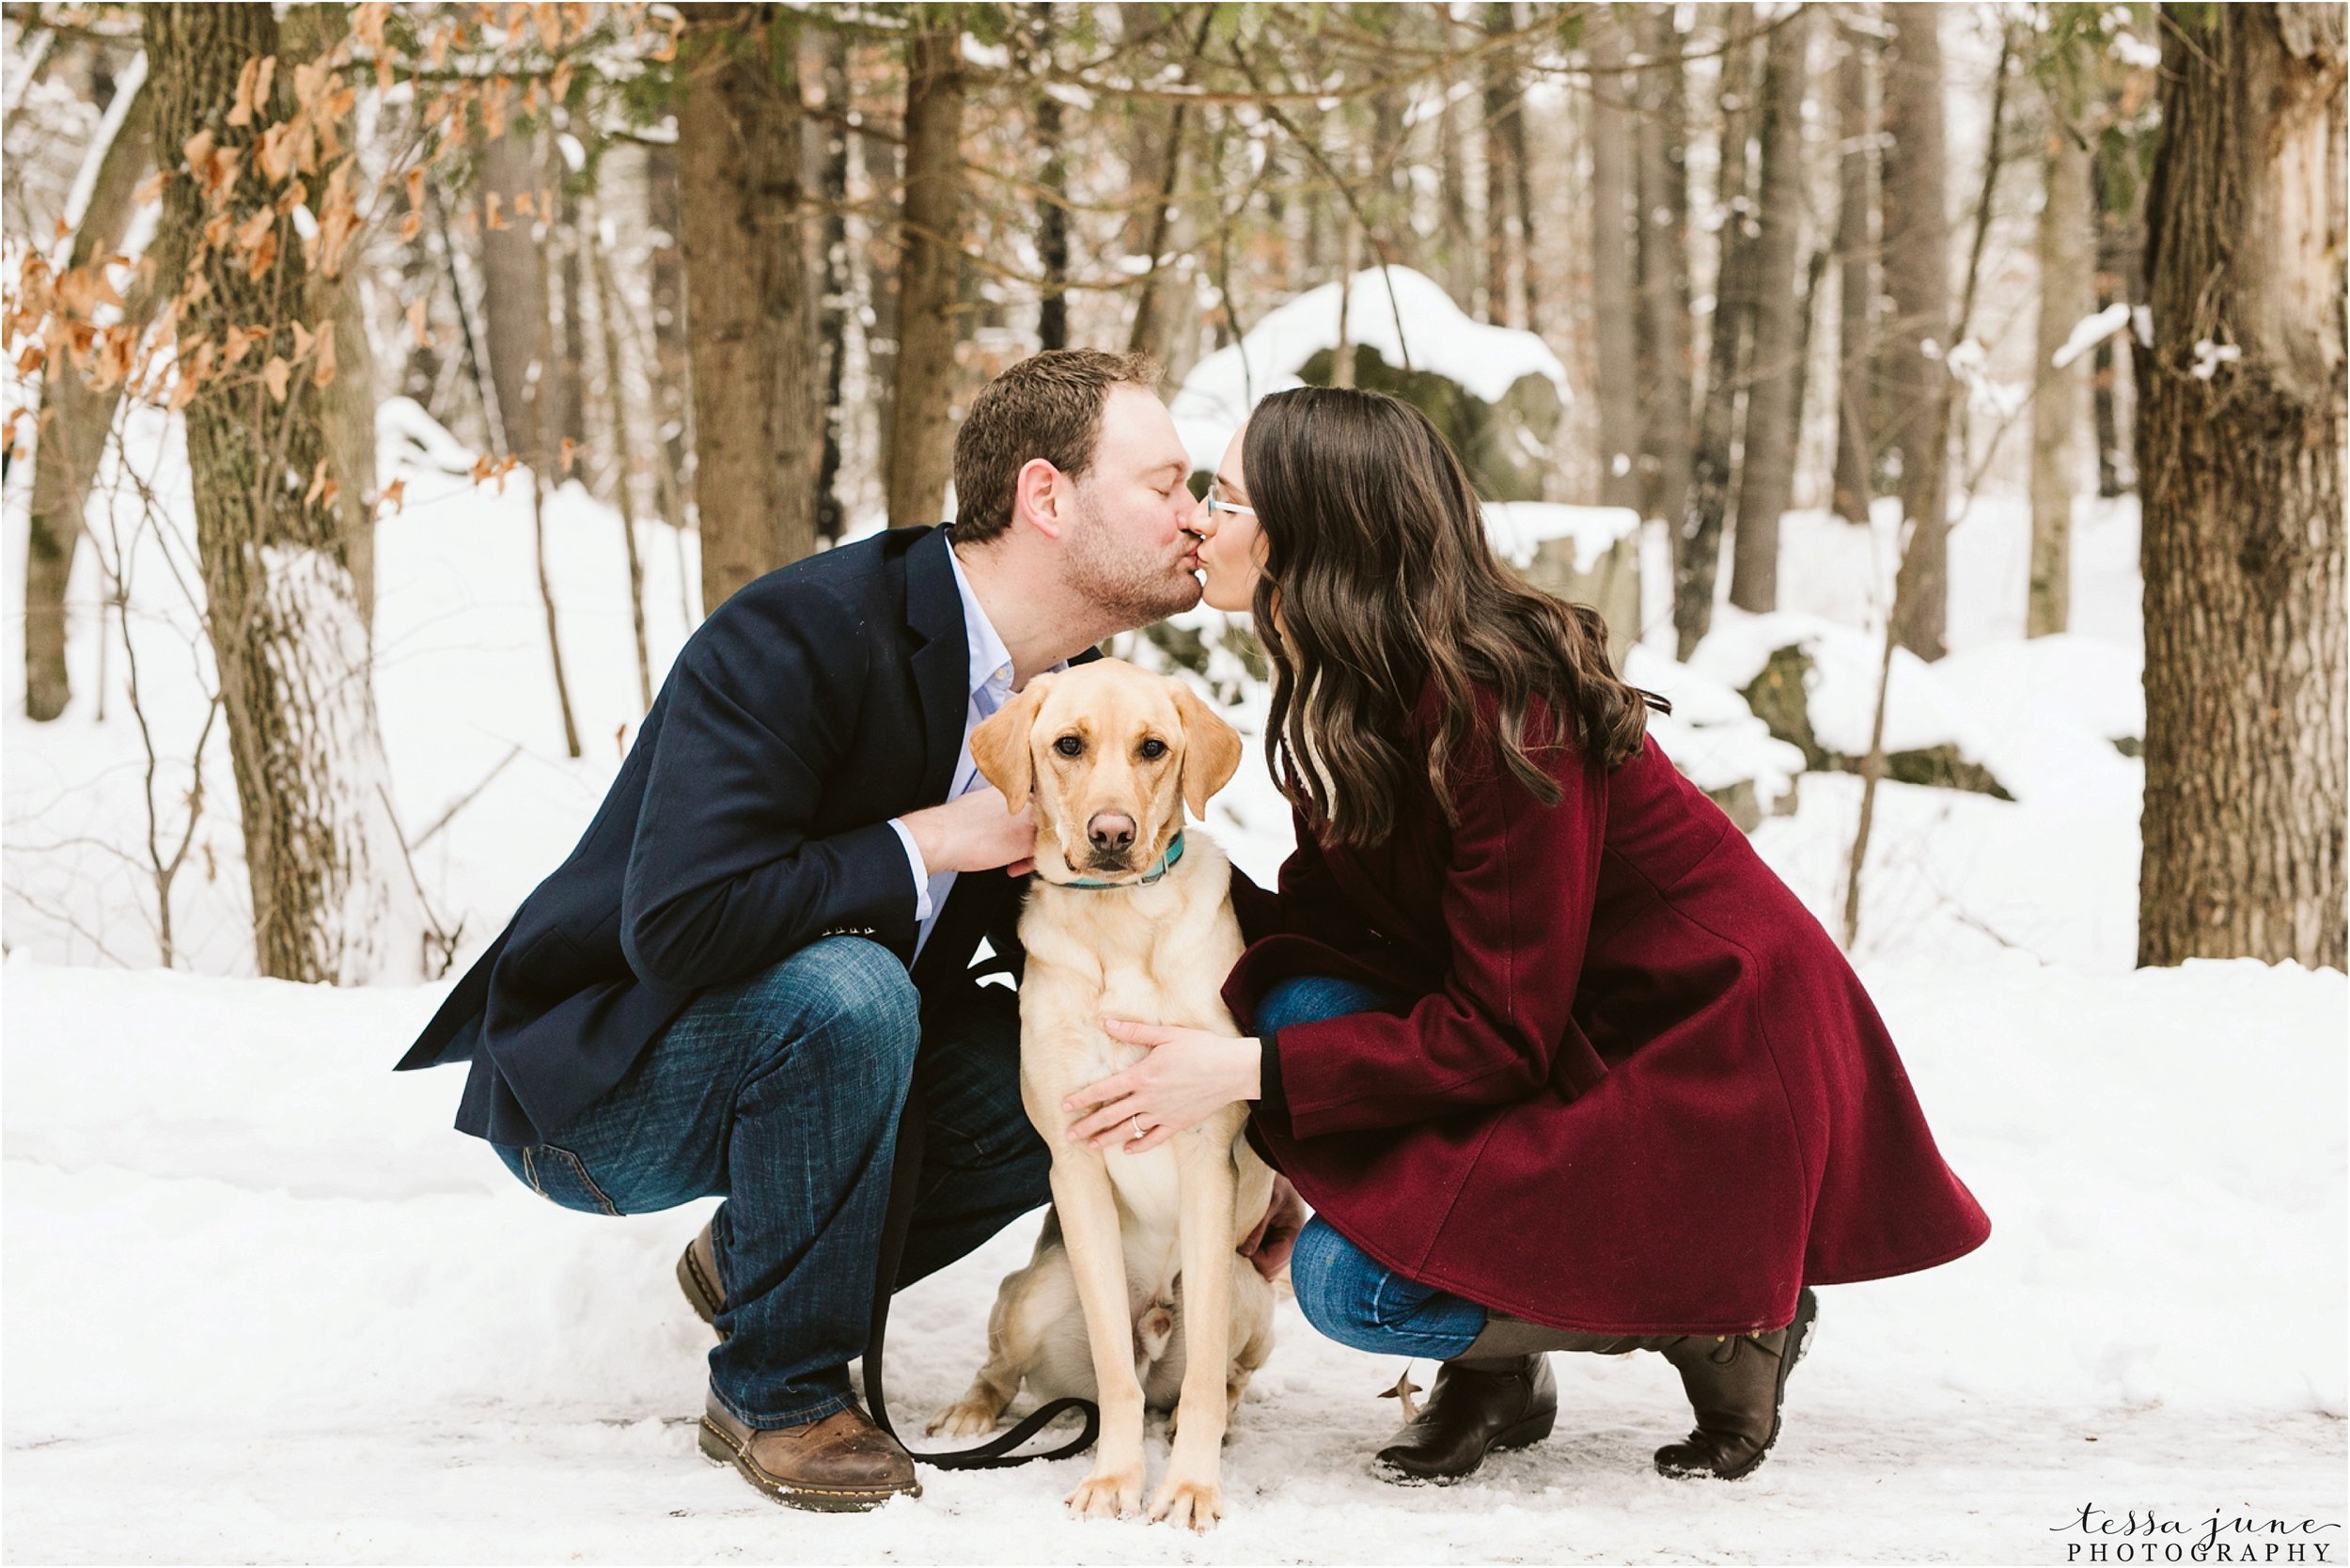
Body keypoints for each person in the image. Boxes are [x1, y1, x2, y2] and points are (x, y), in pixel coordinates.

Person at [395, 350, 1306, 1513]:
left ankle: (755, 1258)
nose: (1196, 519)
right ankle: (776, 1391)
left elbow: (1174, 908)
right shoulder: (802, 632)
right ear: (1046, 498)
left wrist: (1266, 1106)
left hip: (812, 1054)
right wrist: (931, 839)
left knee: (1072, 1073)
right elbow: (676, 926)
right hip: (610, 1080)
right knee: (853, 991)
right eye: (1167, 484)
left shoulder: (1066, 707)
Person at [1061, 386, 1993, 1485]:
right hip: (1544, 1024)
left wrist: (1253, 1080)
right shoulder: (1346, 681)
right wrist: (1134, 896)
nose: (1196, 522)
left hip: (1686, 1055)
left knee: (1348, 1288)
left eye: (1224, 498)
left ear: (1314, 533)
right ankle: (1500, 1374)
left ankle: (1729, 1322)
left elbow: (1501, 1033)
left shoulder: (1503, 705)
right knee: (1287, 993)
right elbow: (1328, 928)